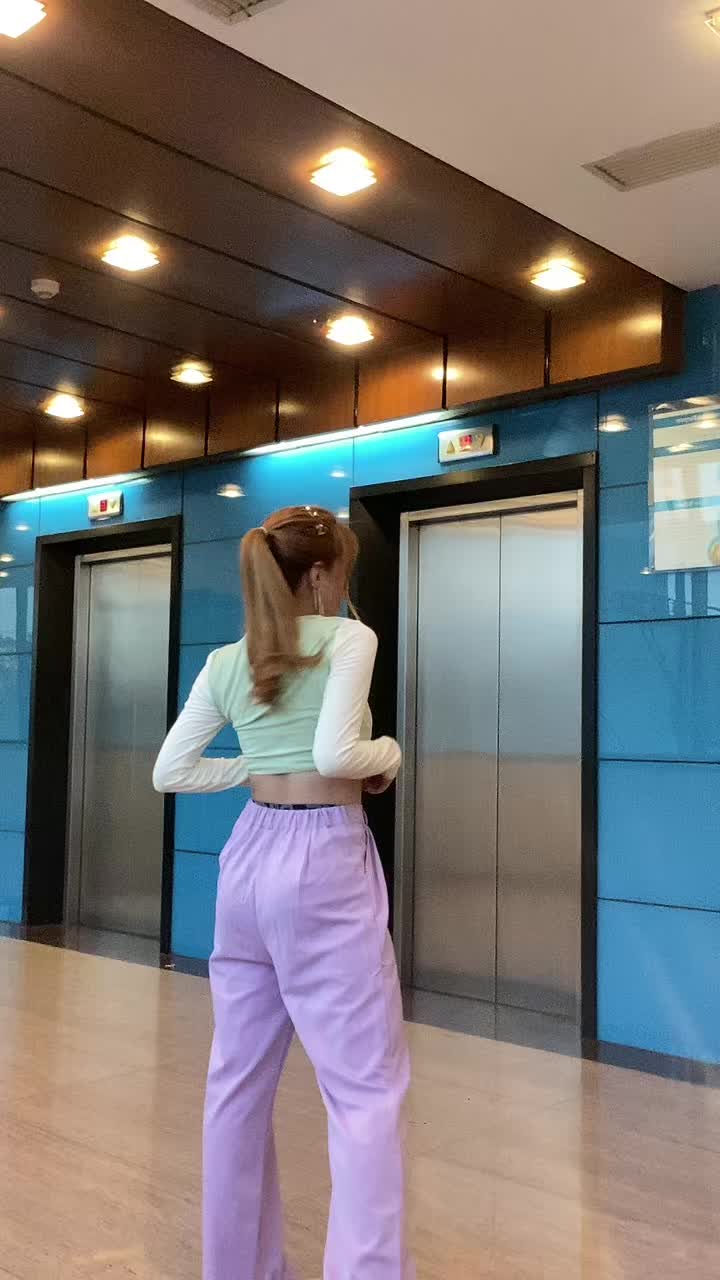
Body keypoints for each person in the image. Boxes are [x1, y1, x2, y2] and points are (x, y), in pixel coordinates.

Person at [153, 505, 414, 1280]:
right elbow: (337, 752)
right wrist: (390, 752)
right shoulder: (349, 639)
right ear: (322, 573)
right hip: (326, 858)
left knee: (235, 1083)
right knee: (364, 1093)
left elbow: (171, 770)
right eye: (345, 573)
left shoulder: (227, 660)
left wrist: (260, 766)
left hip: (249, 855)